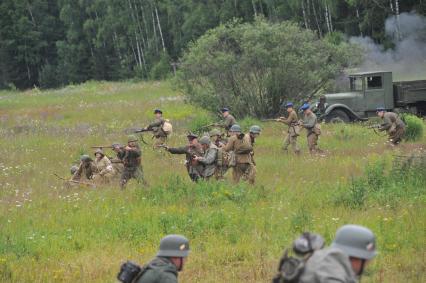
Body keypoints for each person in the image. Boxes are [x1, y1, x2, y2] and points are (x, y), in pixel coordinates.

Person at [299, 224, 377, 283]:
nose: (368, 264)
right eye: (367, 260)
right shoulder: (332, 272)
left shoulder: (325, 259)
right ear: (356, 258)